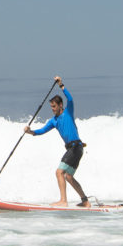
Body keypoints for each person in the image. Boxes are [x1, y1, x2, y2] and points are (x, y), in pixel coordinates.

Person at [24, 76, 90, 207]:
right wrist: (30, 131)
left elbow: (70, 99)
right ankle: (85, 201)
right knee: (68, 177)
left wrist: (61, 85)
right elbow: (41, 131)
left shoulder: (68, 113)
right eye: (51, 107)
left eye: (54, 106)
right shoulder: (53, 121)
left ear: (60, 105)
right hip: (73, 149)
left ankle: (63, 201)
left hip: (76, 147)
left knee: (59, 172)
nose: (53, 109)